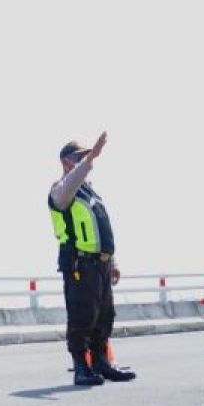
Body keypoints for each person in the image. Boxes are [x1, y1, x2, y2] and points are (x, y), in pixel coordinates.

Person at [49, 134, 136, 386]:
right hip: (80, 263)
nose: (85, 160)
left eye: (85, 156)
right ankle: (81, 367)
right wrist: (90, 160)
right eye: (79, 157)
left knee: (104, 316)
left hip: (101, 264)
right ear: (66, 163)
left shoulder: (90, 192)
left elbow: (101, 227)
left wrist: (113, 261)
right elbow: (65, 192)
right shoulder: (60, 190)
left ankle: (101, 363)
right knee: (81, 316)